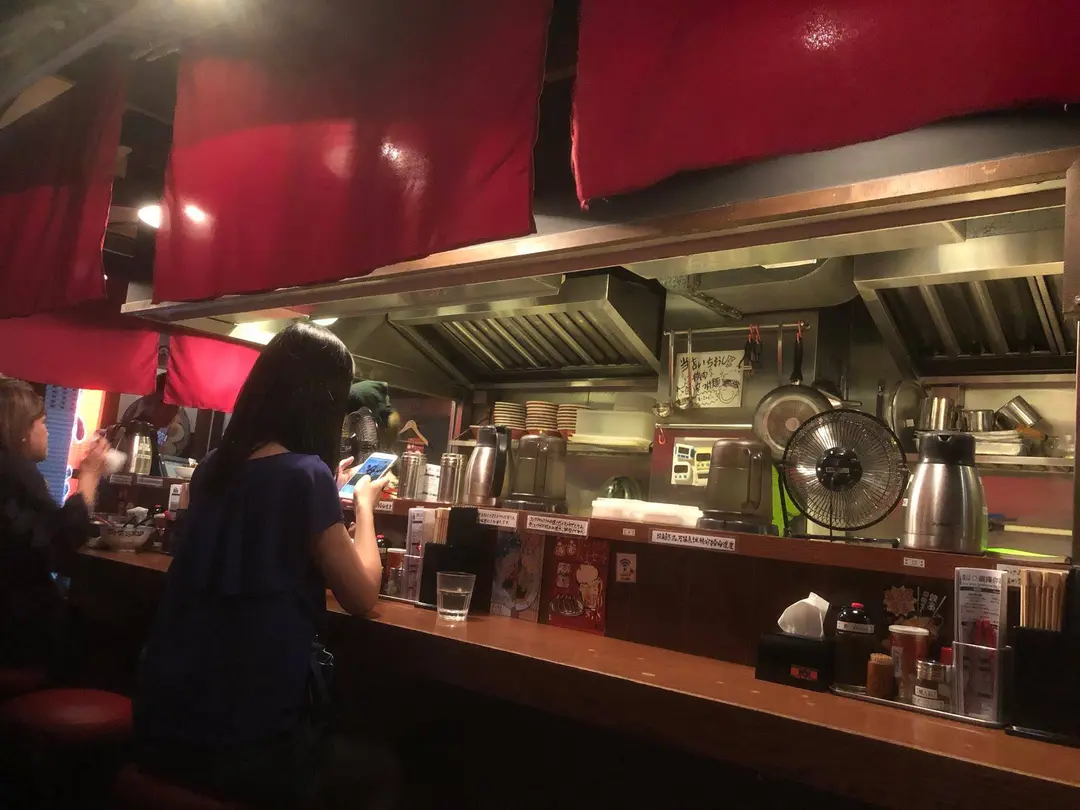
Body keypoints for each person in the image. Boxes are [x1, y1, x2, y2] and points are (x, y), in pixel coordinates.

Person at [134, 323, 396, 810]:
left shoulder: (213, 467)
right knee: (381, 772)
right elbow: (362, 596)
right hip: (250, 740)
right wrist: (363, 505)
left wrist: (324, 484)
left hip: (167, 719)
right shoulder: (306, 476)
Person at [0, 376, 108, 675]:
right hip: (17, 641)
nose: (47, 431)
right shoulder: (13, 475)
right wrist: (89, 477)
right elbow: (57, 547)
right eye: (43, 422)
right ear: (22, 430)